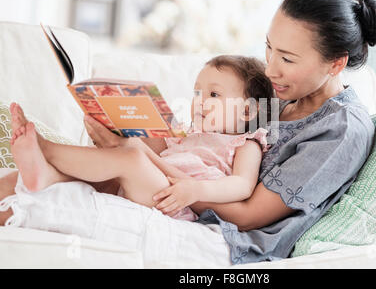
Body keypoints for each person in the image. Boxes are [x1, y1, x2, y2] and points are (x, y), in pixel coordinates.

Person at [0, 0, 376, 266]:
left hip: (227, 234)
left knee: (117, 166)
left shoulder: (343, 128)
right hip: (184, 188)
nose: (271, 69)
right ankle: (44, 164)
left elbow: (251, 213)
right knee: (18, 178)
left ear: (336, 63)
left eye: (287, 59)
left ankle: (45, 149)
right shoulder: (283, 94)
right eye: (269, 49)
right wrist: (133, 136)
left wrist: (165, 174)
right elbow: (203, 144)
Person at [7, 55, 273, 222]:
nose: (200, 102)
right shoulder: (188, 133)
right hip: (148, 183)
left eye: (213, 96)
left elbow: (242, 186)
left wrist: (197, 190)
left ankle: (45, 148)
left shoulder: (246, 143)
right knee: (115, 163)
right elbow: (152, 147)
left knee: (131, 158)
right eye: (197, 93)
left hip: (174, 202)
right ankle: (48, 176)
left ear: (248, 110)